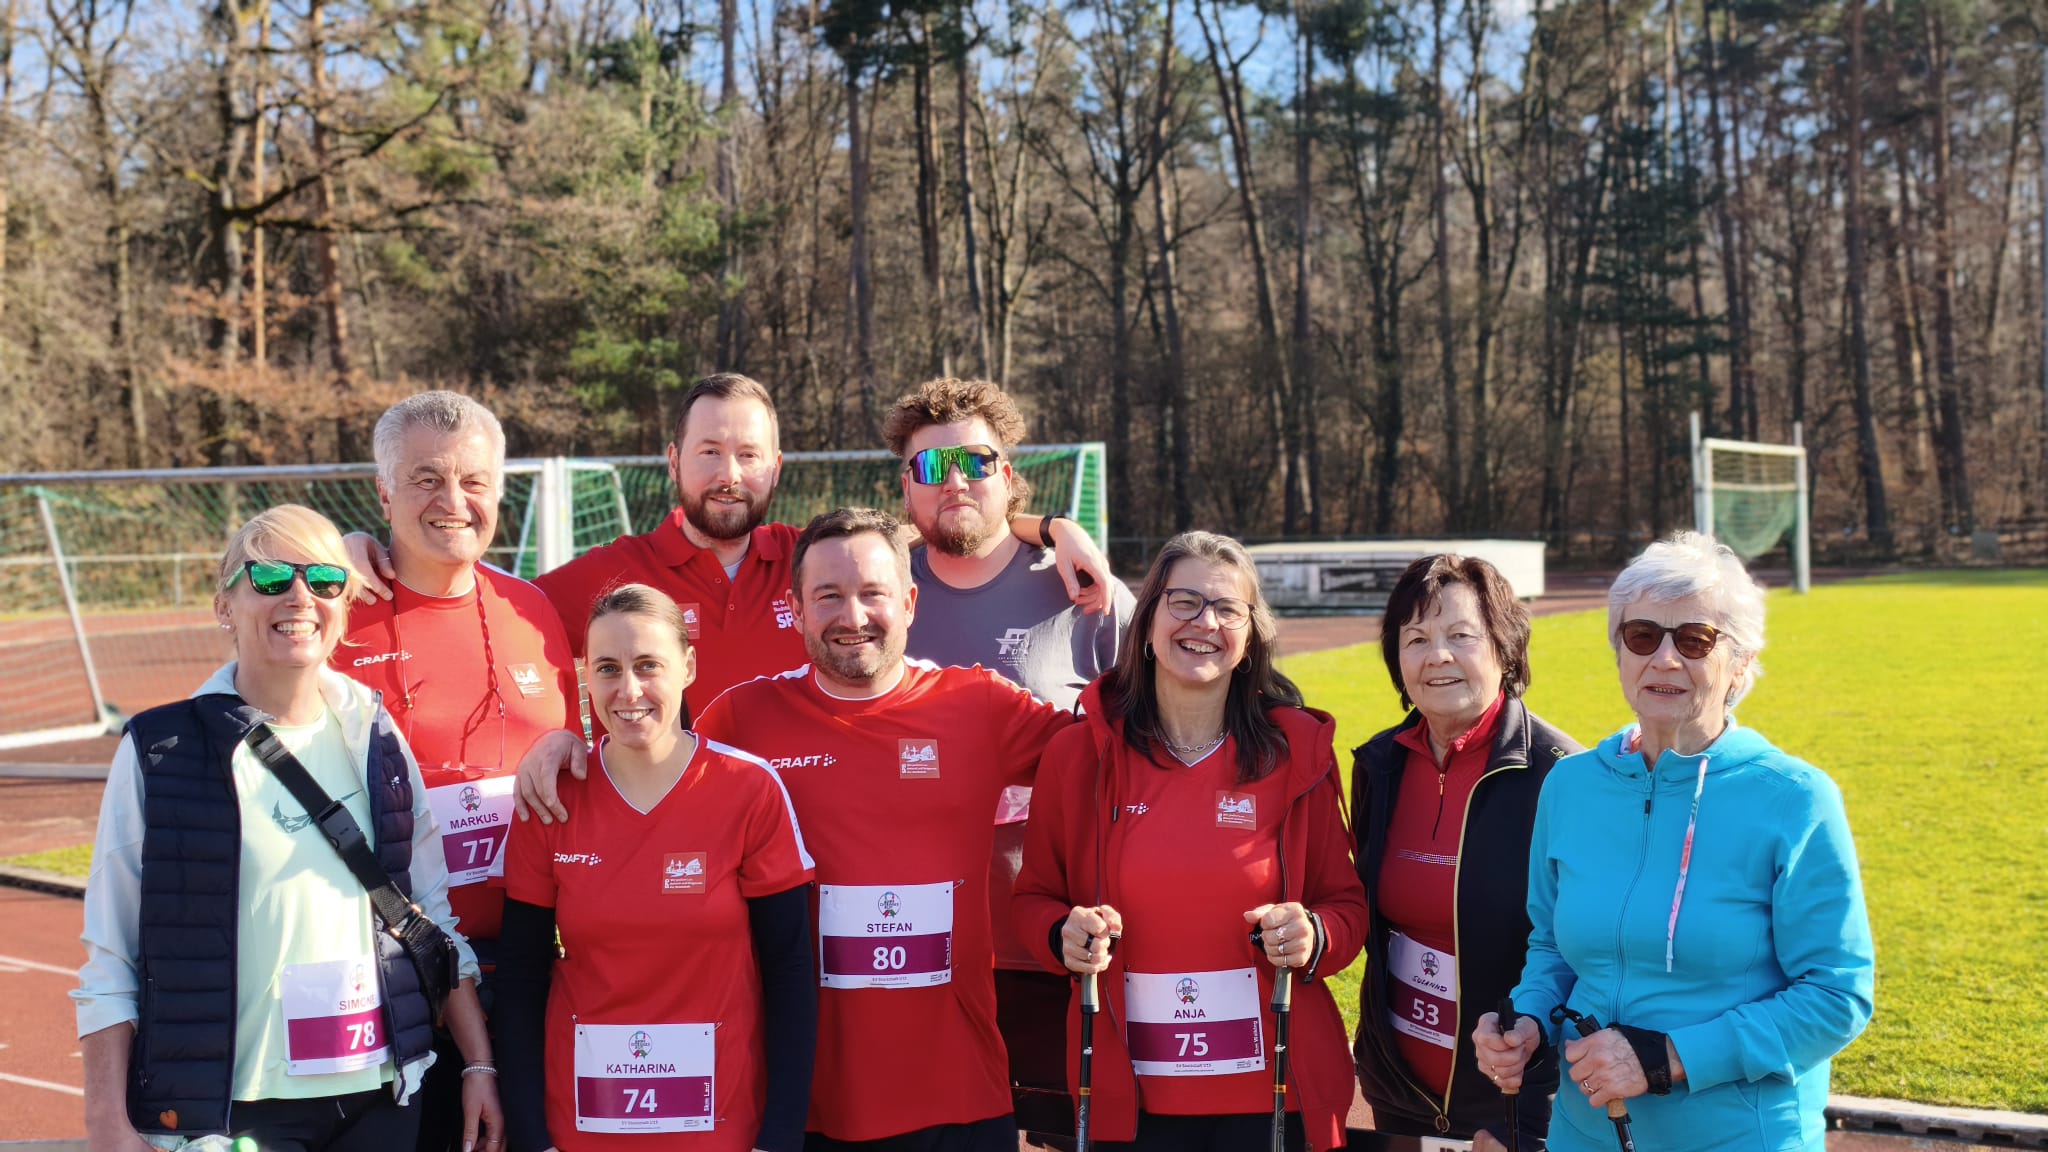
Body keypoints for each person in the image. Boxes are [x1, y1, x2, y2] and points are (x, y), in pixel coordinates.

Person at [74, 505, 502, 1152]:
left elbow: (428, 917)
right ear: (225, 604)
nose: (300, 596)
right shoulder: (161, 750)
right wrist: (106, 1119)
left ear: (345, 605)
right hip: (234, 1113)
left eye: (326, 579)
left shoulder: (376, 734)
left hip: (378, 1099)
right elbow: (111, 954)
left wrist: (478, 1063)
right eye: (271, 576)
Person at [351, 375, 1113, 725]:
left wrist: (1044, 528)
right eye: (710, 452)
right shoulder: (609, 574)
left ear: (775, 469)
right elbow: (487, 597)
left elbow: (945, 525)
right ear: (673, 461)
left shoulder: (812, 557)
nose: (729, 474)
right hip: (680, 859)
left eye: (749, 455)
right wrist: (354, 548)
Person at [1473, 532, 1875, 1152]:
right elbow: (1553, 946)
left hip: (1740, 1135)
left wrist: (1666, 1058)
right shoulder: (1571, 784)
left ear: (1740, 663)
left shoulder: (1795, 798)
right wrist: (1527, 1021)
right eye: (1641, 636)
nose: (1663, 660)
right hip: (1585, 1130)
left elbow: (1836, 995)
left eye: (1694, 640)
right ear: (1619, 653)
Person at [693, 507, 1075, 1150]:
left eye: (873, 593)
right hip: (802, 1101)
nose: (853, 616)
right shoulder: (742, 719)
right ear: (795, 608)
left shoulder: (978, 705)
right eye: (828, 597)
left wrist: (1059, 533)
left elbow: (1118, 751)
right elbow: (646, 795)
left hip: (958, 1095)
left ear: (909, 601)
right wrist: (563, 754)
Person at [1012, 531, 1368, 1151]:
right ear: (1147, 616)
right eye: (1184, 601)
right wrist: (1059, 933)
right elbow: (1033, 900)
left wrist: (1314, 934)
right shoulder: (1079, 754)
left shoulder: (1296, 755)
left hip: (1276, 1095)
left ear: (1251, 634)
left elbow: (1347, 908)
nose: (1205, 622)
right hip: (1128, 1096)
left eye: (1229, 609)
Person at [880, 378, 1136, 1142]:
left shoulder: (1082, 588)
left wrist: (1054, 531)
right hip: (917, 942)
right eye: (931, 468)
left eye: (975, 462)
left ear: (1008, 475)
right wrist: (1050, 523)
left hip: (1058, 933)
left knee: (1070, 1128)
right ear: (905, 489)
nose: (954, 480)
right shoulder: (878, 593)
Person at [339, 392, 581, 1152]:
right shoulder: (333, 616)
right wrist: (330, 552)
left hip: (529, 966)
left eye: (473, 481)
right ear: (383, 494)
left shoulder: (536, 610)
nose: (453, 502)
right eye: (425, 479)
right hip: (395, 978)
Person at [493, 584, 816, 1152]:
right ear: (586, 675)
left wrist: (780, 1137)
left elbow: (789, 972)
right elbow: (520, 979)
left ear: (688, 666)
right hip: (582, 1128)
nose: (629, 690)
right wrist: (533, 1137)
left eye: (649, 665)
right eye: (608, 669)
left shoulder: (749, 789)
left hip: (721, 1129)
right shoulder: (550, 800)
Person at [1350, 554, 1577, 1146]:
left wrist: (1528, 1077)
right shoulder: (1379, 764)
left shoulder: (1564, 776)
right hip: (1398, 1090)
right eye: (1417, 638)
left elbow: (1588, 949)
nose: (1437, 655)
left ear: (1504, 649)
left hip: (1514, 1093)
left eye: (1460, 635)